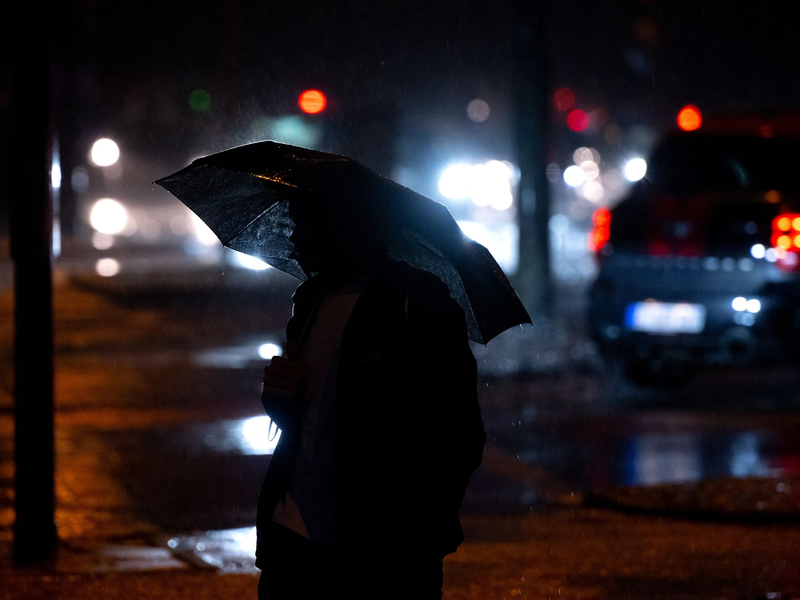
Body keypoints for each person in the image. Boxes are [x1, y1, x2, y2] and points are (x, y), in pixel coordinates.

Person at [256, 198, 485, 599]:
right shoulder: (309, 299)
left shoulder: (419, 300)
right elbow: (311, 417)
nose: (292, 239)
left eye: (302, 223)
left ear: (340, 224)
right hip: (294, 539)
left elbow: (460, 431)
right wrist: (280, 398)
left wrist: (417, 528)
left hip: (381, 550)